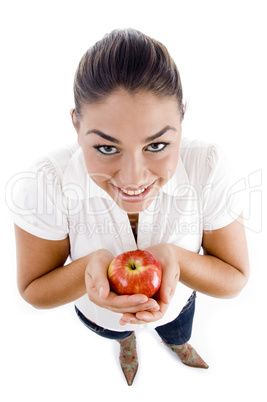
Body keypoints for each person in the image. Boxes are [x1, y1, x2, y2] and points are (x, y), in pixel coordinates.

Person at [9, 28, 250, 386]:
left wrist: (176, 257)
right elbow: (33, 290)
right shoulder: (44, 183)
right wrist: (89, 268)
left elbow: (235, 279)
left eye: (156, 146)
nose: (134, 178)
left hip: (177, 306)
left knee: (177, 330)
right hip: (99, 315)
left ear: (182, 120)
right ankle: (127, 346)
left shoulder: (208, 168)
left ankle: (179, 345)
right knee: (117, 331)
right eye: (107, 148)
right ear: (77, 124)